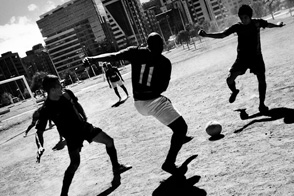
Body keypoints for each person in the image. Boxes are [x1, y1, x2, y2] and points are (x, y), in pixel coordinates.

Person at [83, 32, 193, 175]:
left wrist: (92, 59)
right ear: (162, 45)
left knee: (168, 105)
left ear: (147, 44)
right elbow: (163, 88)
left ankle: (179, 139)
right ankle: (169, 163)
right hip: (153, 101)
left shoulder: (135, 52)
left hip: (138, 103)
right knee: (181, 128)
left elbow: (114, 56)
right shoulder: (165, 62)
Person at [35, 74, 131, 196]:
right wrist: (39, 146)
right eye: (59, 86)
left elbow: (76, 104)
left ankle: (116, 167)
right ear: (52, 90)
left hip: (83, 127)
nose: (62, 87)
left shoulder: (66, 93)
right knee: (74, 163)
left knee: (109, 141)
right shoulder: (46, 108)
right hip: (71, 136)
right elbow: (38, 131)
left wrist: (84, 116)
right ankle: (63, 194)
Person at [198, 4, 285, 113]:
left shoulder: (257, 23)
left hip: (256, 57)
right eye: (241, 18)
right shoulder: (237, 27)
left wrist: (278, 25)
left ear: (250, 16)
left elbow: (268, 24)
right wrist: (206, 35)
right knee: (229, 79)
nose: (243, 20)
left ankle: (261, 104)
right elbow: (222, 35)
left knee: (261, 80)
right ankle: (234, 91)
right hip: (242, 59)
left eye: (245, 18)